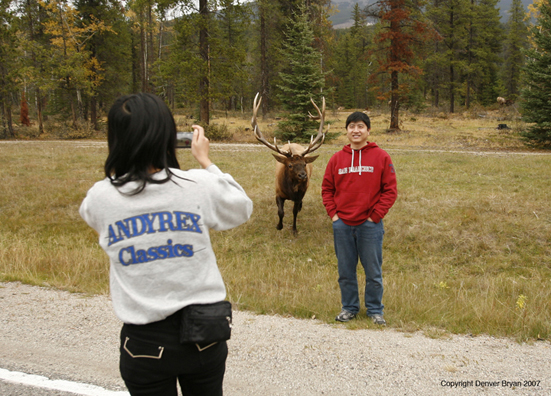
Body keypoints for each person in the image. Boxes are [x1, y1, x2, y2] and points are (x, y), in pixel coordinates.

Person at [79, 93, 253, 396]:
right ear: (168, 137)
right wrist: (206, 161)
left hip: (143, 342)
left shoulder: (100, 197)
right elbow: (241, 208)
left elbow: (94, 218)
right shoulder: (197, 185)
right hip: (205, 334)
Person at [321, 111, 397, 325]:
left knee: (373, 271)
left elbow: (390, 190)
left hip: (369, 226)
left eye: (360, 126)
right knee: (345, 271)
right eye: (352, 126)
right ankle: (349, 308)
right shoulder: (337, 159)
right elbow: (327, 188)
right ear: (346, 131)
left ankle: (375, 310)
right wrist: (334, 215)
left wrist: (375, 216)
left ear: (368, 130)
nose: (356, 130)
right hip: (343, 225)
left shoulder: (381, 157)